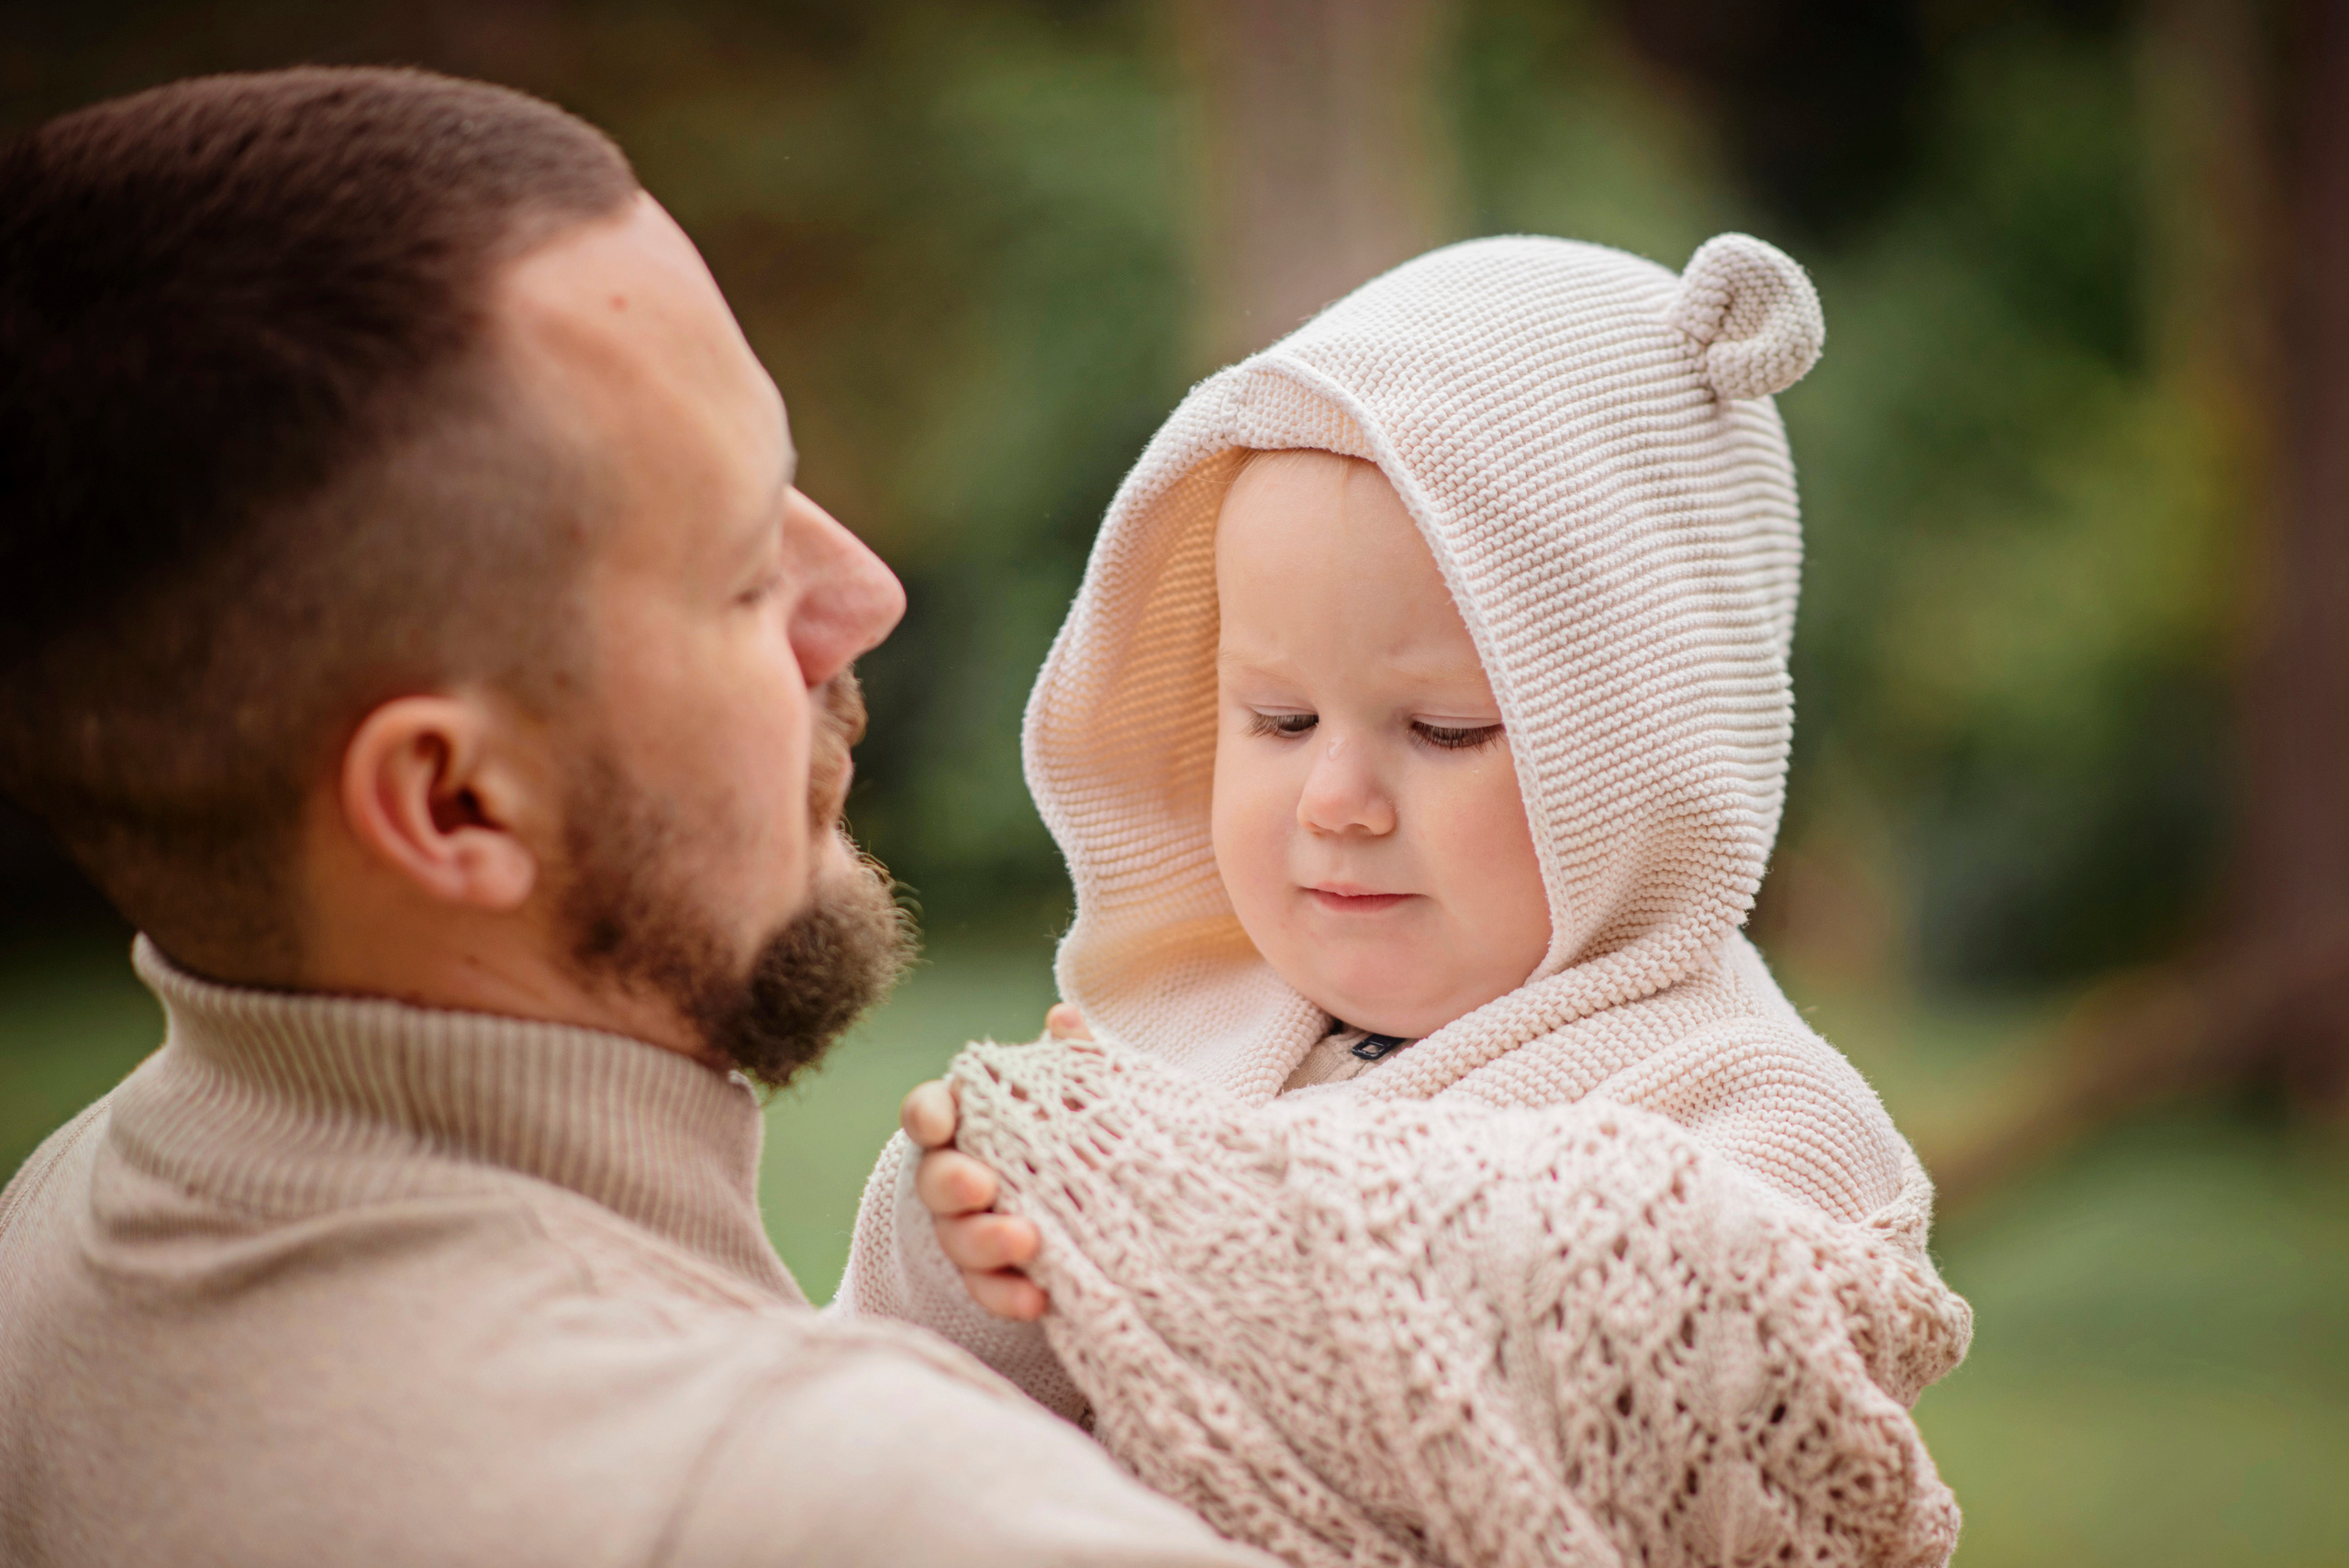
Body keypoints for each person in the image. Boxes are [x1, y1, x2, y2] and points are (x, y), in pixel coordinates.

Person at [0, 66, 1277, 1567]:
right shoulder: (874, 1510)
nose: (864, 594)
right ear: (454, 801)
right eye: (744, 572)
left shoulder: (54, 1231)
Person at [835, 235, 1974, 1563]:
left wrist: (1183, 1212)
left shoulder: (1755, 1112)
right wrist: (978, 1253)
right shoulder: (1173, 1049)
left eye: (1441, 729)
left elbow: (1685, 1377)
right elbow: (893, 1444)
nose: (1336, 797)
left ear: (1650, 746)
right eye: (1278, 715)